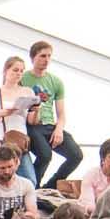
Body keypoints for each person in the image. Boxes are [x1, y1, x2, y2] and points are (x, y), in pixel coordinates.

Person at [19, 40, 82, 189]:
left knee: (76, 155)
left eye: (48, 56)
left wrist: (59, 129)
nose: (46, 60)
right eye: (42, 56)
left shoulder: (56, 82)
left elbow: (61, 113)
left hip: (50, 125)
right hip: (32, 125)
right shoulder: (23, 79)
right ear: (33, 58)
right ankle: (32, 186)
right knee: (45, 155)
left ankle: (50, 186)